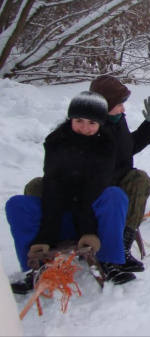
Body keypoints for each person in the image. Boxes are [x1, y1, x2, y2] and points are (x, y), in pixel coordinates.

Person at [23, 75, 150, 273]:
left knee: (139, 179)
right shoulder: (87, 127)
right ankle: (43, 244)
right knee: (36, 185)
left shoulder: (116, 120)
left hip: (110, 183)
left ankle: (122, 244)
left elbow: (128, 148)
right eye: (120, 104)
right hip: (79, 186)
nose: (123, 108)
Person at [6, 92, 135, 294]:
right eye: (79, 121)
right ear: (70, 119)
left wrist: (89, 231)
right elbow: (52, 185)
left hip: (91, 217)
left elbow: (95, 187)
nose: (84, 128)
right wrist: (46, 236)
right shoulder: (56, 142)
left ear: (100, 123)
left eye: (91, 123)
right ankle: (34, 267)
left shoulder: (106, 145)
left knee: (115, 196)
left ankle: (109, 262)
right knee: (16, 204)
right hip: (61, 217)